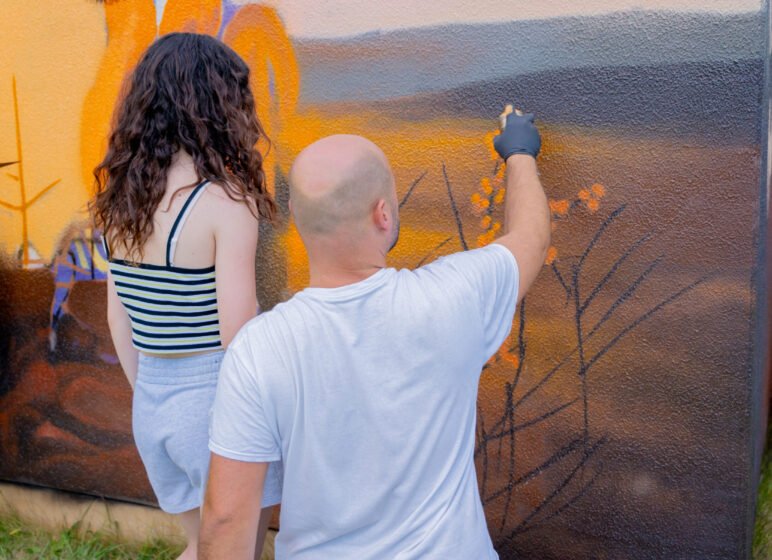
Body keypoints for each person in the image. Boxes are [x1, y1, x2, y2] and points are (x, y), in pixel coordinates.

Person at [200, 109, 549, 559]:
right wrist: (520, 152)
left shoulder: (257, 350)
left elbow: (226, 519)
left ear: (296, 219)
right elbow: (531, 238)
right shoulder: (455, 298)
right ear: (383, 214)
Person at [90, 33, 282, 560]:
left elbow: (117, 319)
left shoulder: (121, 198)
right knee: (237, 550)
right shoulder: (225, 200)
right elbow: (237, 331)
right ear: (220, 107)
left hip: (153, 400)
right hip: (217, 402)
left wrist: (153, 395)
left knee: (202, 547)